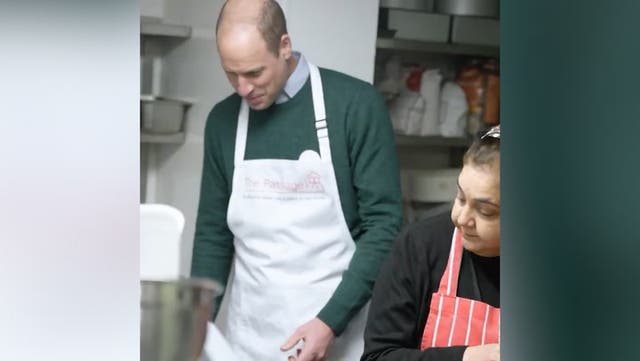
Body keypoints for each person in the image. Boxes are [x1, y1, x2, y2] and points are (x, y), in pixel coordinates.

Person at [190, 1, 403, 360]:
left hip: (337, 336)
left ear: (284, 46)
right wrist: (195, 331)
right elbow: (213, 235)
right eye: (231, 74)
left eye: (255, 73)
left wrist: (329, 322)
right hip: (249, 339)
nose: (243, 88)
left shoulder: (354, 105)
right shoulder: (223, 121)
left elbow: (384, 226)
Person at [361, 125, 501, 361]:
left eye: (485, 211)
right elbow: (378, 357)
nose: (461, 217)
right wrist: (468, 357)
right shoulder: (421, 247)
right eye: (460, 197)